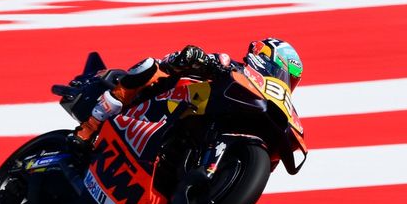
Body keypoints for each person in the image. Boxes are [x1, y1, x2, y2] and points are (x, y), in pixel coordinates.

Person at [75, 38, 303, 142]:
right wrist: (195, 57)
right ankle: (91, 127)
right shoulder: (232, 67)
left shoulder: (260, 103)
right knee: (150, 66)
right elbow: (178, 60)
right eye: (283, 74)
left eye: (290, 81)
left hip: (194, 123)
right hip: (167, 102)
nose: (284, 83)